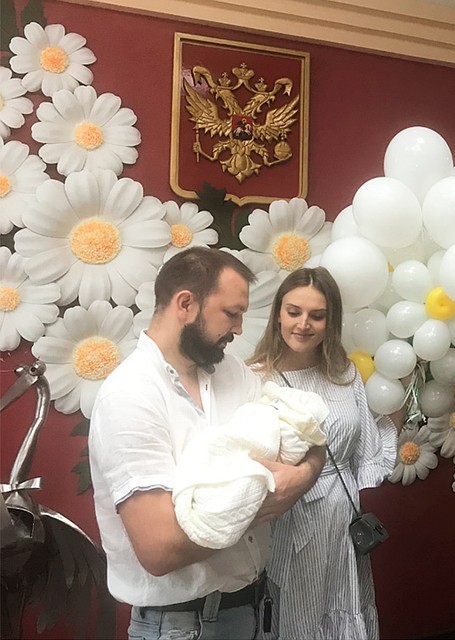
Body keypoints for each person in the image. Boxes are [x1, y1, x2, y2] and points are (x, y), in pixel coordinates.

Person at [89, 247, 326, 639]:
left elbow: (305, 432)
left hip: (256, 609)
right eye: (231, 313)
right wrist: (267, 495)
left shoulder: (232, 371)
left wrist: (302, 477)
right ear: (186, 304)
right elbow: (160, 549)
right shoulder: (129, 396)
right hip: (183, 626)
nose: (239, 328)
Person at [248, 267, 400, 640]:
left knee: (343, 607)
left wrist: (402, 403)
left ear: (330, 322)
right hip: (288, 518)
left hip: (341, 521)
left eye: (317, 315)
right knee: (295, 615)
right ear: (278, 314)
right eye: (294, 312)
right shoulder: (255, 378)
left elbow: (368, 450)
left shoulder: (345, 375)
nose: (303, 324)